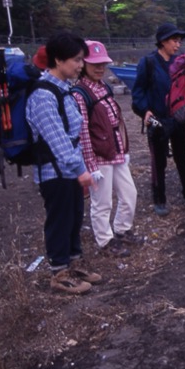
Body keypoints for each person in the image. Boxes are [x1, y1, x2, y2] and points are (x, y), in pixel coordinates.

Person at [25, 32, 100, 295]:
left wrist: (81, 168)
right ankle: (59, 272)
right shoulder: (43, 96)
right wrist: (81, 170)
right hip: (54, 172)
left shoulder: (63, 90)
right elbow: (58, 140)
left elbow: (74, 134)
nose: (81, 65)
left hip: (69, 170)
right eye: (76, 60)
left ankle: (74, 263)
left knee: (73, 218)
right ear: (58, 60)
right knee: (59, 220)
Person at [73, 40, 138, 258]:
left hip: (116, 152)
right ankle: (105, 240)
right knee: (102, 203)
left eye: (102, 64)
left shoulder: (104, 87)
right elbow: (82, 133)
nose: (100, 68)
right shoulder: (79, 94)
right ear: (83, 64)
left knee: (130, 194)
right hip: (99, 157)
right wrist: (90, 166)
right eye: (94, 64)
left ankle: (122, 229)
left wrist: (124, 149)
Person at [131, 22, 185, 216]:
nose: (177, 45)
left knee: (183, 157)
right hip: (157, 118)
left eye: (179, 41)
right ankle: (159, 199)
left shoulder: (180, 62)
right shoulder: (148, 62)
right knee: (158, 160)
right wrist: (144, 111)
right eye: (173, 41)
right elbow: (138, 92)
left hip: (178, 117)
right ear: (162, 42)